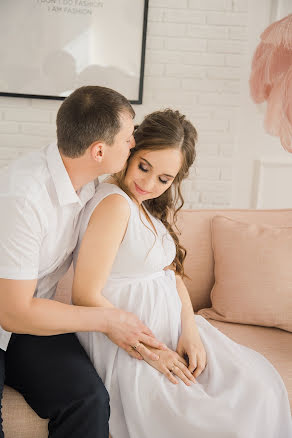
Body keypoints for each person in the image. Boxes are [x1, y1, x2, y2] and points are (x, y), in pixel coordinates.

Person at [73, 109, 292, 438]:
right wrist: (154, 353)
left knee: (257, 391)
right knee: (219, 422)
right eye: (143, 166)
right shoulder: (114, 204)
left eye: (163, 179)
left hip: (175, 331)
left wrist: (189, 329)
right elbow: (85, 296)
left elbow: (170, 276)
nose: (148, 184)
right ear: (131, 150)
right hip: (132, 343)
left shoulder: (141, 205)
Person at [0, 86, 167, 438]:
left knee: (89, 399)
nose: (133, 144)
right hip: (12, 315)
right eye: (128, 137)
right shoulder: (24, 196)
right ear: (99, 150)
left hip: (30, 325)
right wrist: (109, 320)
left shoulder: (90, 187)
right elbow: (11, 312)